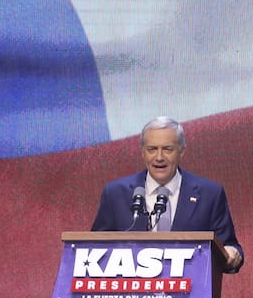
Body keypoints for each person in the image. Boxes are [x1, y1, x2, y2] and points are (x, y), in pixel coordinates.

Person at [91, 116, 244, 272]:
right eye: (152, 149)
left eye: (167, 149)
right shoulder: (116, 193)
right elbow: (93, 249)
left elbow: (228, 246)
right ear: (143, 152)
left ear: (181, 151)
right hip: (131, 292)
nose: (159, 157)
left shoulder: (209, 194)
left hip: (189, 291)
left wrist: (232, 253)